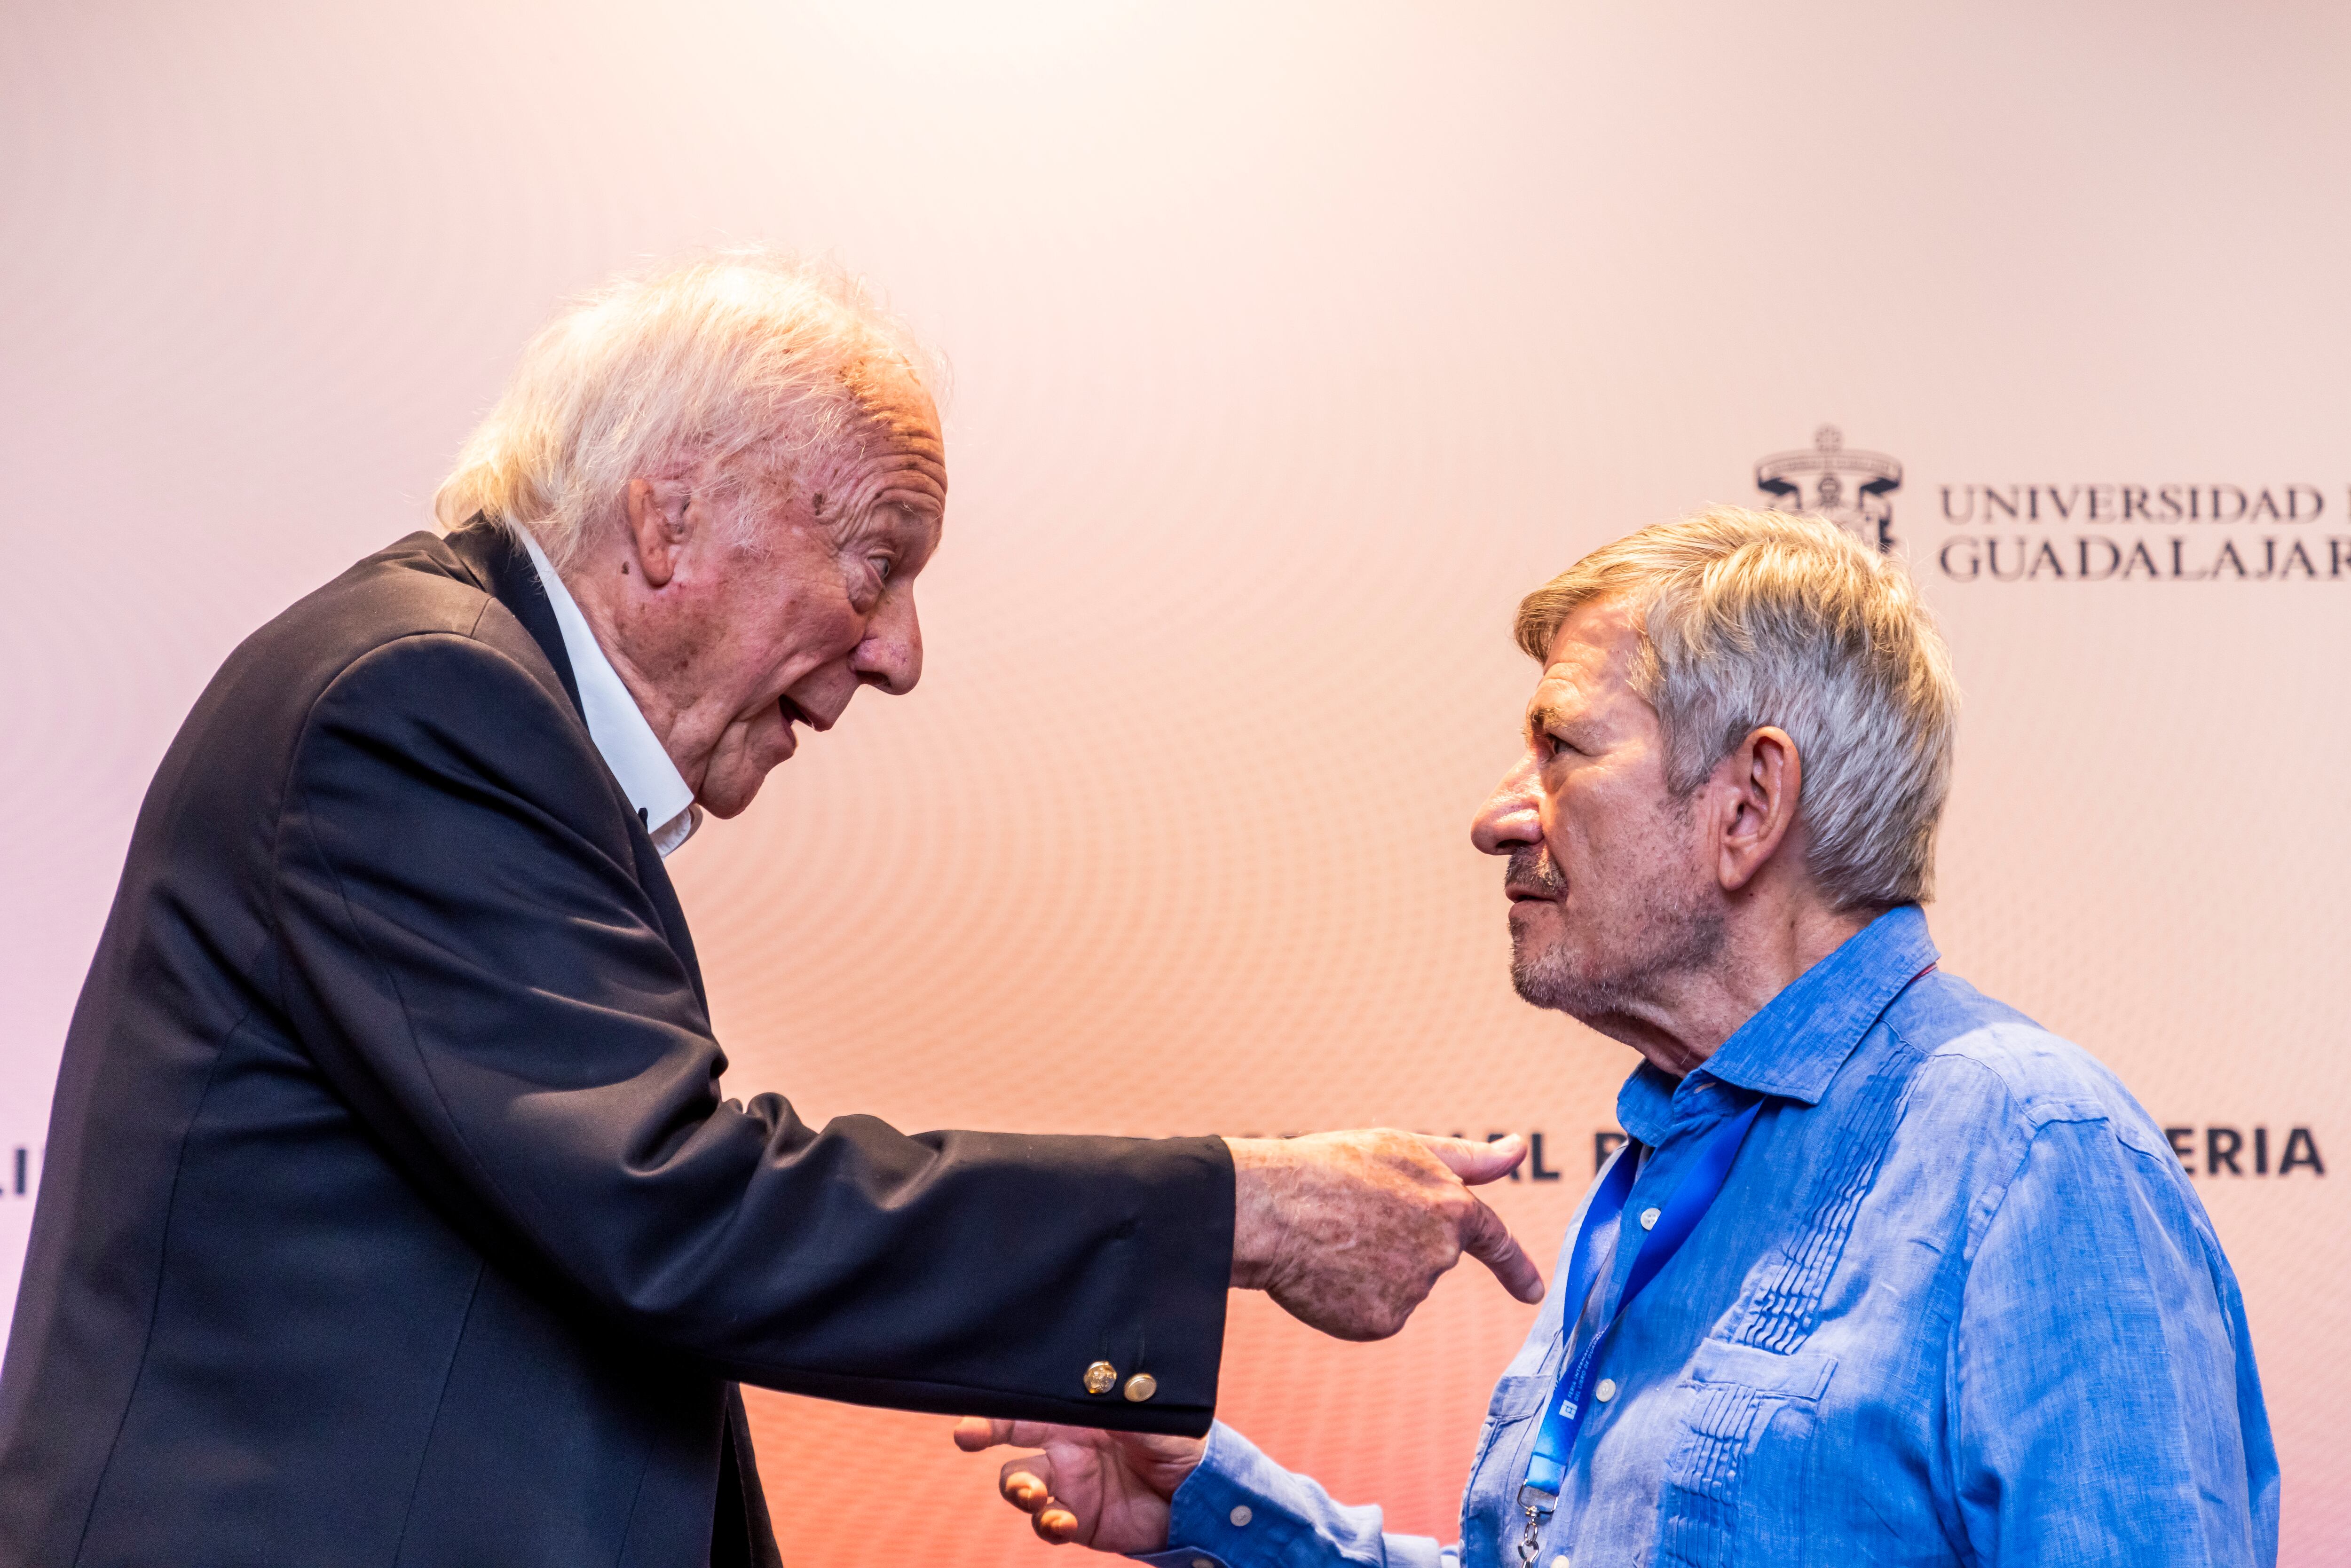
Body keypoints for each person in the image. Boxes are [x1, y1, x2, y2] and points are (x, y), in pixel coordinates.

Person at [0, 252, 1543, 1568]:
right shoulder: (423, 701)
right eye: (877, 565)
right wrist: (1244, 1212)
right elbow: (676, 1204)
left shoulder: (472, 702)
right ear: (669, 520)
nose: (901, 655)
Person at [960, 507, 2280, 1567]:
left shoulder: (2031, 1150)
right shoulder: (1675, 1154)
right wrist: (1217, 1504)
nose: (1499, 816)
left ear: (1748, 804)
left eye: (1562, 750)